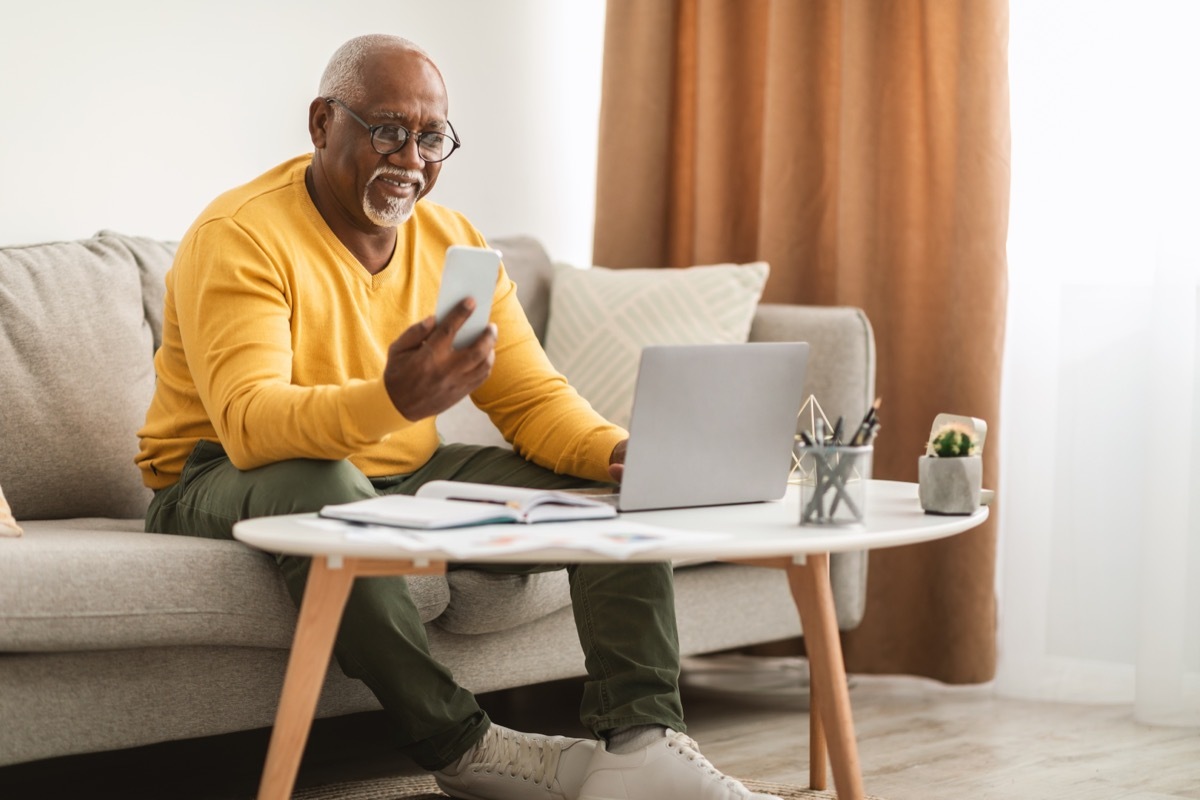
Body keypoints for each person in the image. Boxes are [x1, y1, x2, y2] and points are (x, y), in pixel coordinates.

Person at [136, 33, 780, 800]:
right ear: (320, 124)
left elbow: (531, 399)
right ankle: (463, 746)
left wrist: (619, 452)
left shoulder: (455, 243)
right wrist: (391, 401)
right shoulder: (239, 235)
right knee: (322, 477)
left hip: (395, 474)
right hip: (216, 476)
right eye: (386, 129)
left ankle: (642, 741)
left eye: (430, 136)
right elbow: (251, 425)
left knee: (601, 492)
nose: (410, 158)